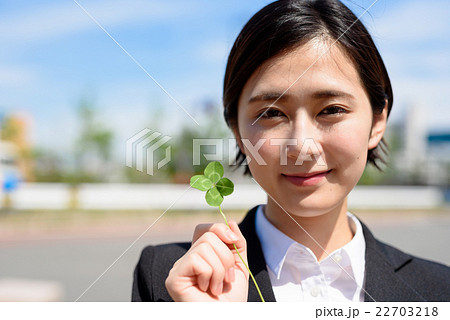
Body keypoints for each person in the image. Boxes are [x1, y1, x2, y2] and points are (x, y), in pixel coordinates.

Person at [132, 0, 450, 302]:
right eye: (271, 113)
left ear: (378, 120)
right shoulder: (170, 278)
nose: (301, 146)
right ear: (237, 131)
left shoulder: (438, 289)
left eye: (331, 109)